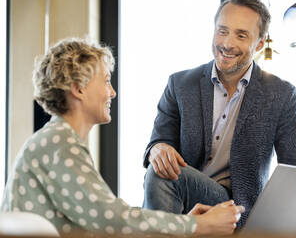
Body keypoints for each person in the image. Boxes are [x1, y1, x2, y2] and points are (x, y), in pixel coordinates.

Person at [0, 38, 245, 236]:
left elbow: (101, 220)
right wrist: (196, 226)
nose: (112, 92)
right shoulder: (59, 143)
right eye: (106, 81)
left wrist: (183, 224)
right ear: (79, 89)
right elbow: (113, 220)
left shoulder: (55, 140)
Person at [142, 0, 296, 228]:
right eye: (222, 31)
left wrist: (268, 229)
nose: (227, 44)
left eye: (241, 35)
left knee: (162, 176)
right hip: (184, 202)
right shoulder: (180, 84)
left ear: (260, 43)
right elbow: (159, 141)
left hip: (238, 209)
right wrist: (157, 149)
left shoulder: (281, 94)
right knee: (160, 170)